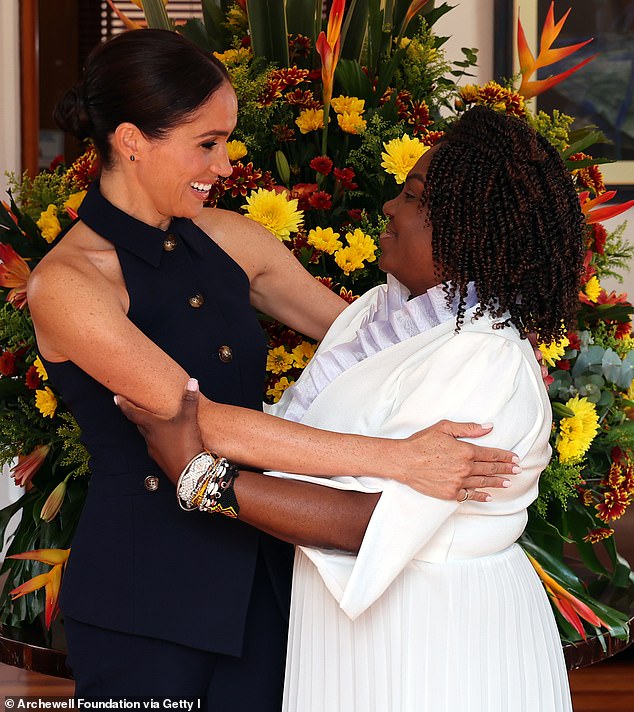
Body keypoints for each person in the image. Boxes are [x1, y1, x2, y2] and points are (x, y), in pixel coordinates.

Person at [26, 30, 517, 708]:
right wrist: (399, 460)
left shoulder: (234, 238)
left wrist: (493, 351)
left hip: (268, 580)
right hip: (145, 599)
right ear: (132, 140)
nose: (225, 165)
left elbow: (376, 341)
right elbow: (203, 422)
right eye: (207, 142)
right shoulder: (68, 284)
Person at [117, 105, 584, 711]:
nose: (390, 207)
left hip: (436, 633)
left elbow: (367, 522)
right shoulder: (376, 314)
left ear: (470, 228)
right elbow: (300, 436)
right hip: (352, 617)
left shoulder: (485, 360)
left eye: (412, 196)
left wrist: (200, 476)